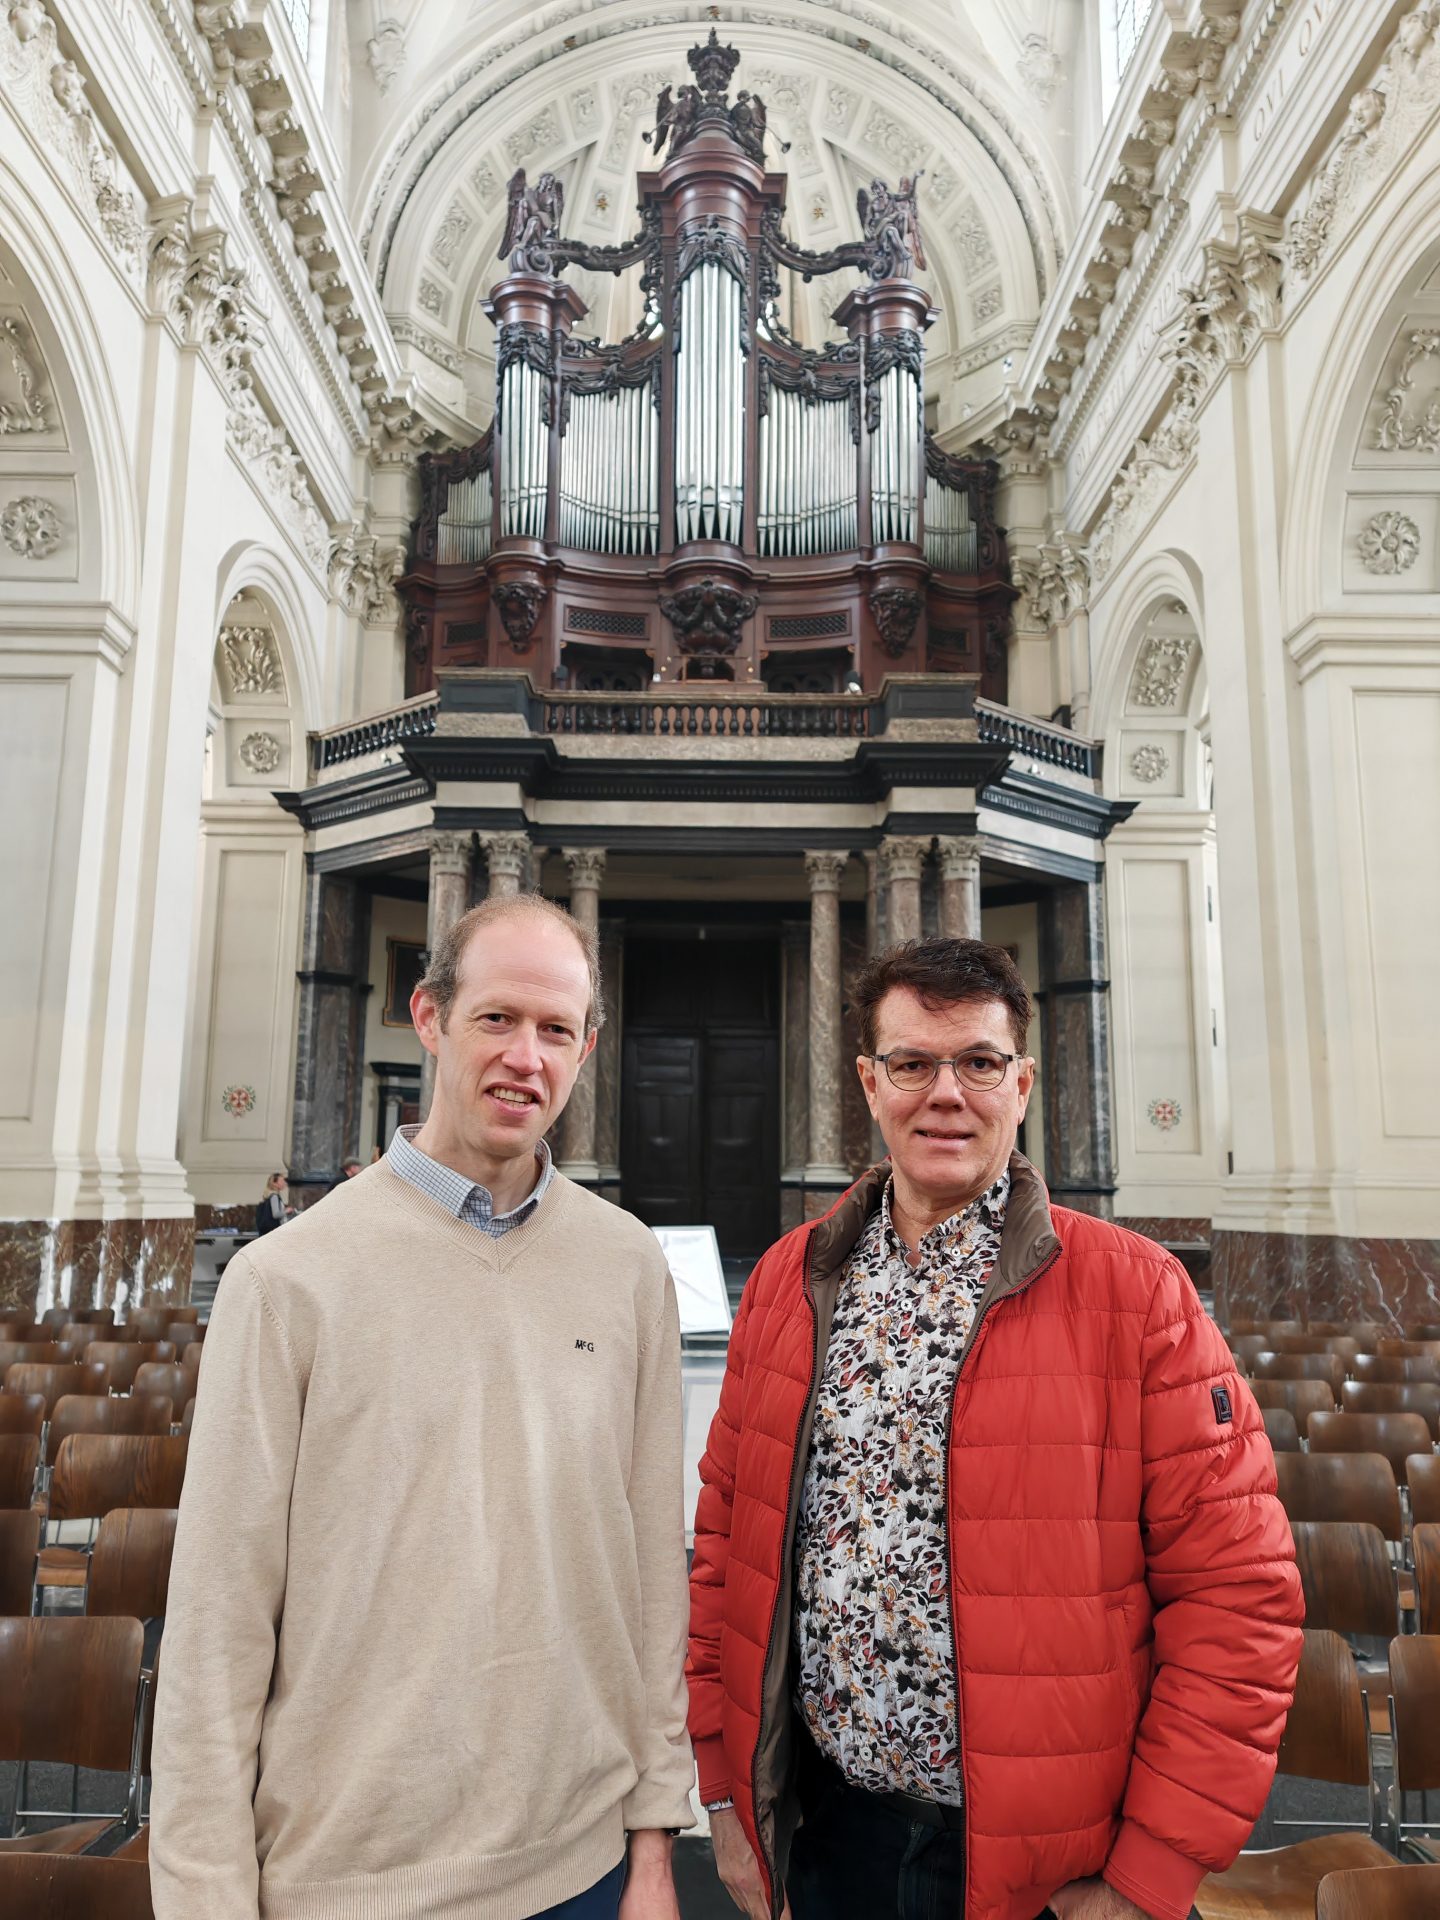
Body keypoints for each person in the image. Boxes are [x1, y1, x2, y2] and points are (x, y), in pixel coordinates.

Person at [687, 937, 1303, 1920]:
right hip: (834, 1832)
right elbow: (724, 1554)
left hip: (1053, 1868)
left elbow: (1239, 1600)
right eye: (912, 1063)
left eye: (977, 1062)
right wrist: (728, 1794)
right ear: (868, 1082)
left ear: (1020, 1084)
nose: (946, 1093)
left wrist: (1148, 1877)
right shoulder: (788, 1282)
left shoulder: (1136, 1292)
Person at [152, 894, 694, 1920]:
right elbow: (216, 1631)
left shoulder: (626, 1266)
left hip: (580, 1870)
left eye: (555, 1029)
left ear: (589, 1046)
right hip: (349, 1882)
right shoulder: (286, 1280)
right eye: (497, 1018)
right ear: (430, 1016)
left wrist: (656, 1844)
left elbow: (651, 1578)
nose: (526, 1057)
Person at [253, 1171, 289, 1235]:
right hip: (273, 1231)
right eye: (282, 1181)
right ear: (274, 1183)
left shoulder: (269, 1197)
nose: (284, 1183)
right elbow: (276, 1214)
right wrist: (287, 1210)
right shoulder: (274, 1196)